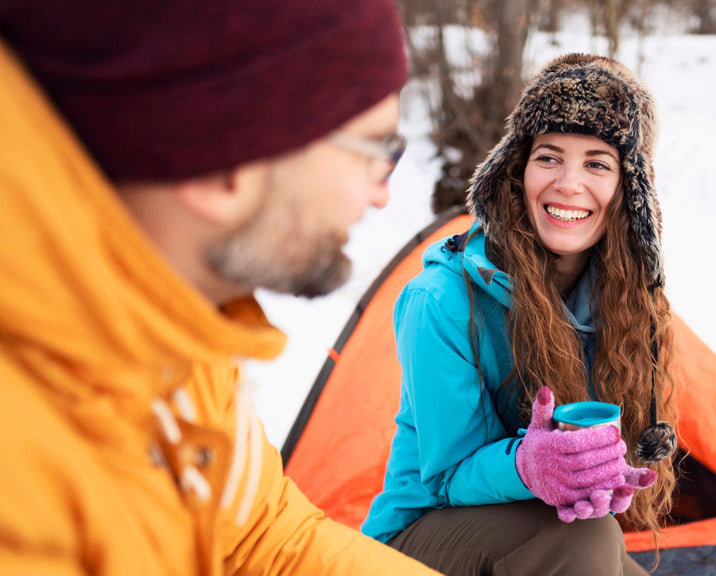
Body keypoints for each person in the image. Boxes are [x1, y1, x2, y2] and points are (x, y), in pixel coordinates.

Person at [0, 0, 439, 574]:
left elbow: (259, 538)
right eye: (376, 151)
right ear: (224, 165)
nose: (382, 194)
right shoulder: (24, 482)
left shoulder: (168, 325)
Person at [362, 53, 681, 575]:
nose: (568, 184)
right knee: (587, 542)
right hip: (416, 539)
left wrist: (596, 471)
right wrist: (531, 464)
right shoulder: (440, 300)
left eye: (597, 163)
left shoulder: (624, 301)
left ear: (629, 191)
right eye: (549, 157)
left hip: (539, 533)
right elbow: (442, 479)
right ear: (518, 170)